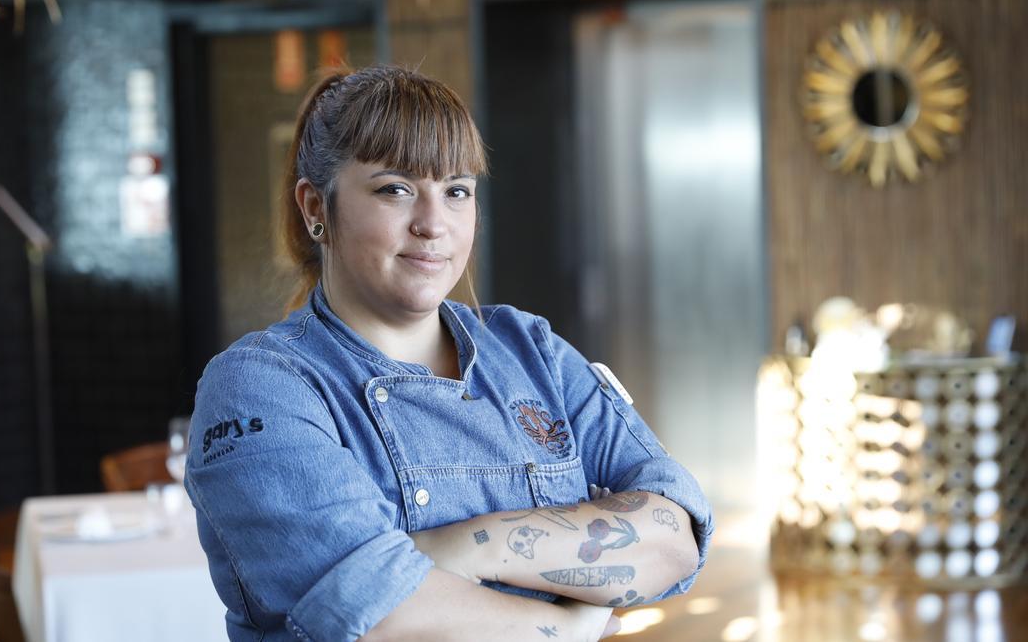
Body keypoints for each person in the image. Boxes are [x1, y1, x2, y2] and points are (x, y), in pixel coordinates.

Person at [184, 65, 713, 642]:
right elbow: (382, 619)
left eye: (456, 191)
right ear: (317, 208)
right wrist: (572, 625)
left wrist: (449, 549)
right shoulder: (260, 386)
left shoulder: (532, 351)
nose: (433, 224)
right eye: (395, 189)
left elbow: (672, 535)